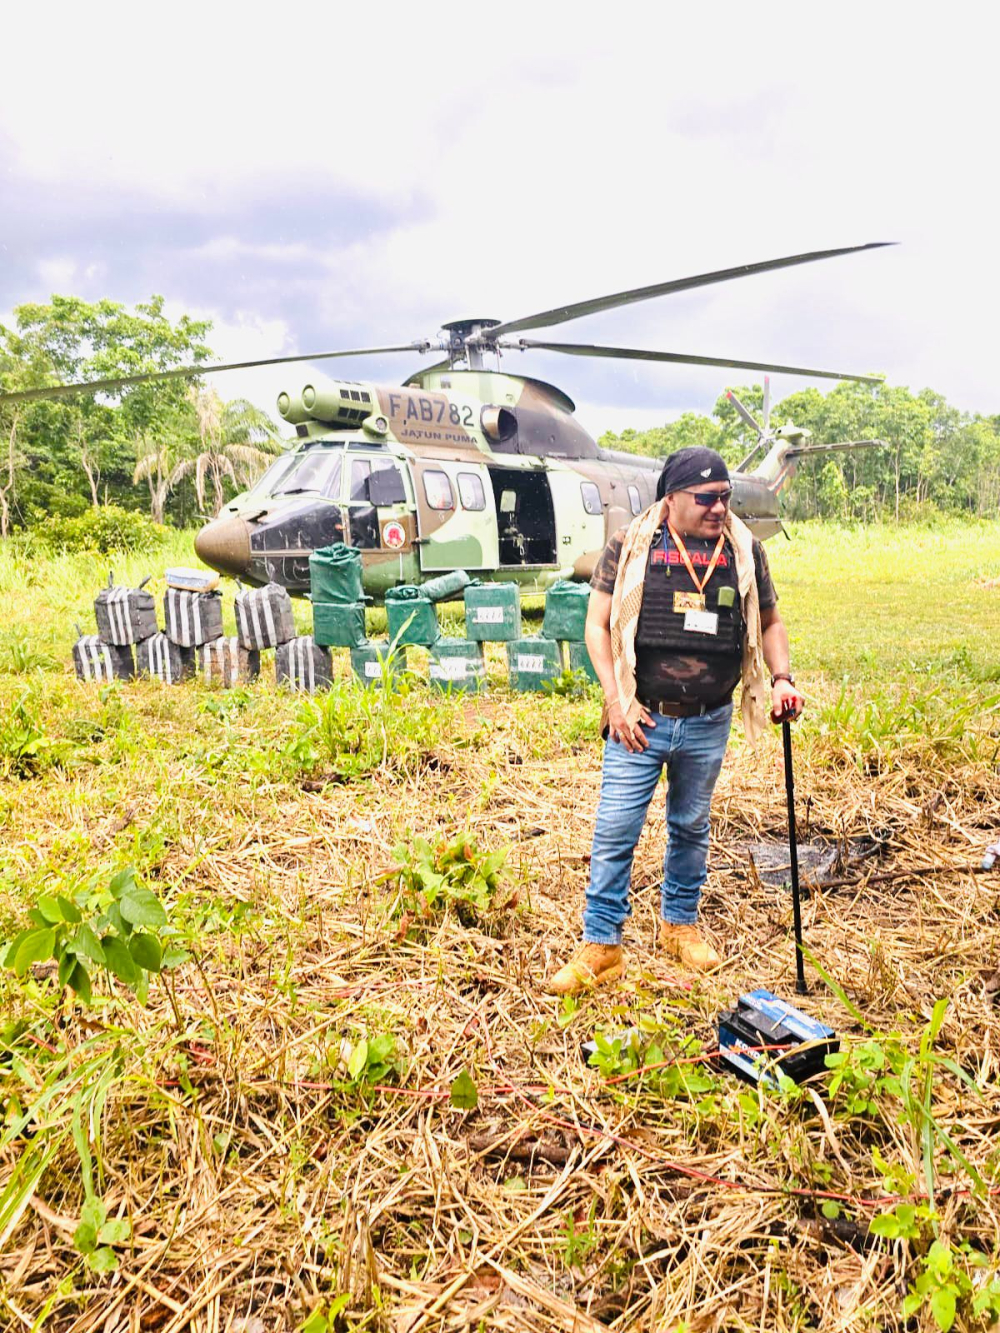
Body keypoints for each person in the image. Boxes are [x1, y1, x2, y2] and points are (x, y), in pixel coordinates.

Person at [547, 446, 804, 995]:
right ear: (672, 498)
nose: (719, 509)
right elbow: (597, 626)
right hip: (639, 717)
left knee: (690, 825)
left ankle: (678, 926)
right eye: (706, 499)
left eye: (725, 498)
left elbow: (771, 621)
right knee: (616, 829)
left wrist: (781, 678)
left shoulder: (744, 550)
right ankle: (602, 944)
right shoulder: (632, 545)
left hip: (708, 719)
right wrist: (617, 701)